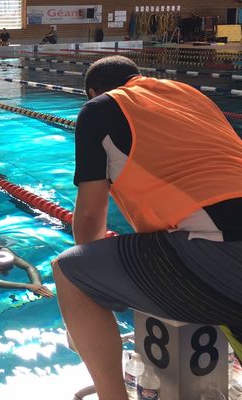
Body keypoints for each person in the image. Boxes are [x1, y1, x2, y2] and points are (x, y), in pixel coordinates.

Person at [51, 55, 242, 400]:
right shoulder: (193, 96)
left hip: (223, 258)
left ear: (92, 92)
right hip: (224, 252)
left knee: (68, 271)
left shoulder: (99, 109)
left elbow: (91, 220)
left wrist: (89, 299)